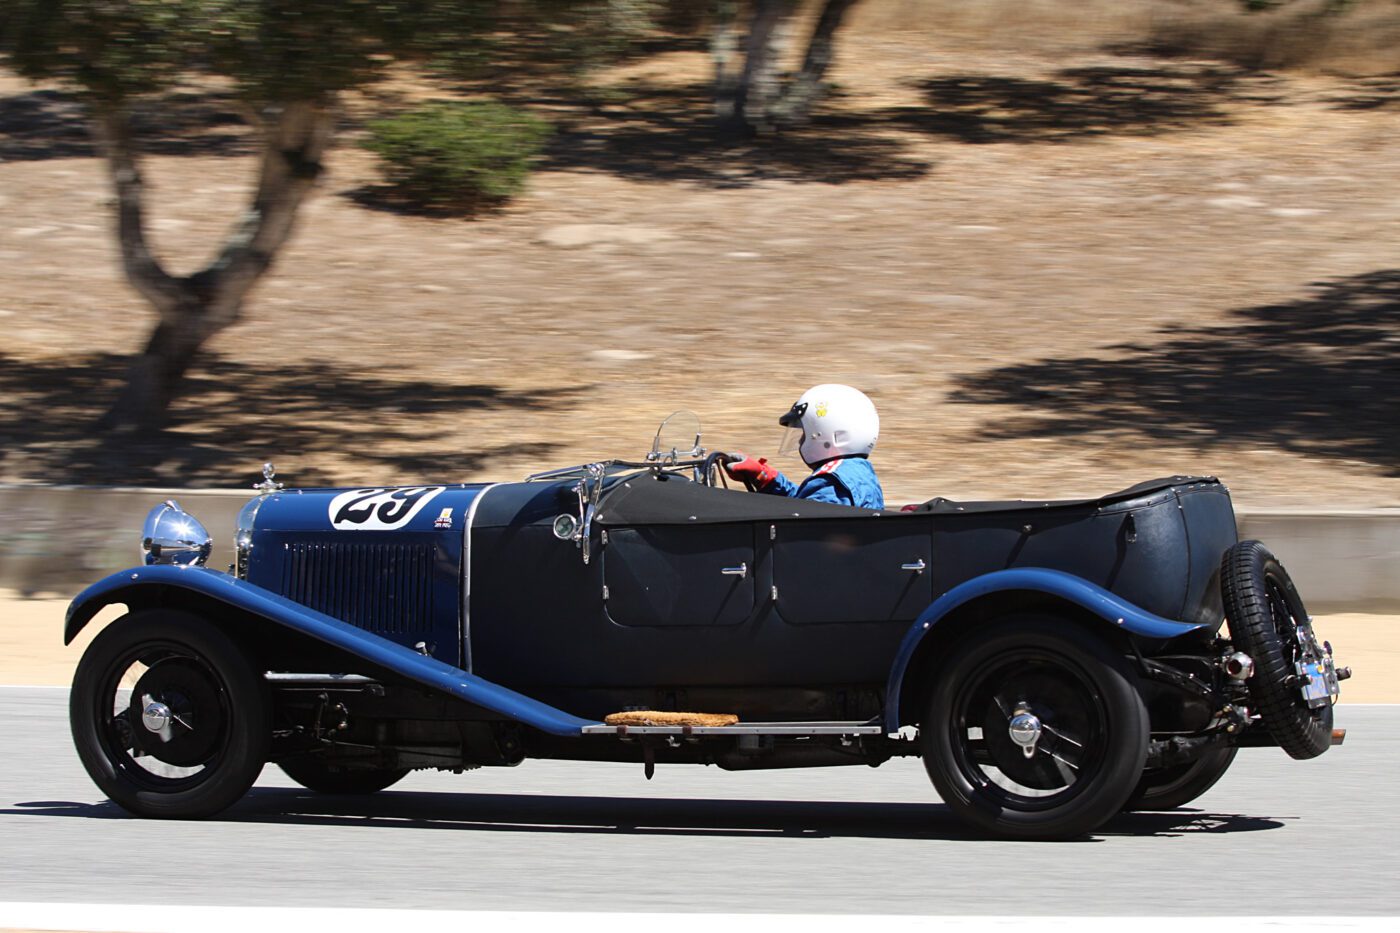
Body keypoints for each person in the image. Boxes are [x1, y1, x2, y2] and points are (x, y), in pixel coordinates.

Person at [724, 384, 884, 509]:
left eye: (804, 433)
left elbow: (802, 526)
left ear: (827, 433)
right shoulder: (855, 472)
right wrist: (765, 478)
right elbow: (803, 505)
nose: (800, 441)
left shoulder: (831, 483)